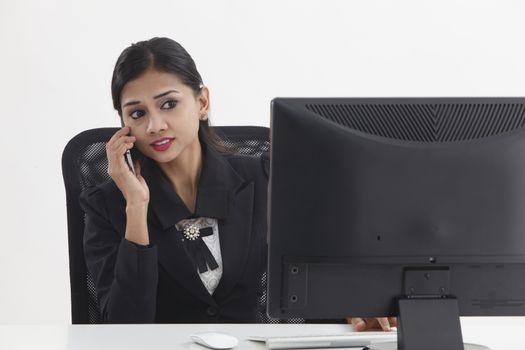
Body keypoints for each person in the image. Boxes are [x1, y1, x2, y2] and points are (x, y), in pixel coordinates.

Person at [80, 36, 395, 329]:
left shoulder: (264, 178)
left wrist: (351, 305)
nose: (154, 125)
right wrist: (136, 207)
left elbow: (312, 274)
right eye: (137, 114)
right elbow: (123, 330)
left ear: (202, 102)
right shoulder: (107, 204)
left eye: (168, 104)